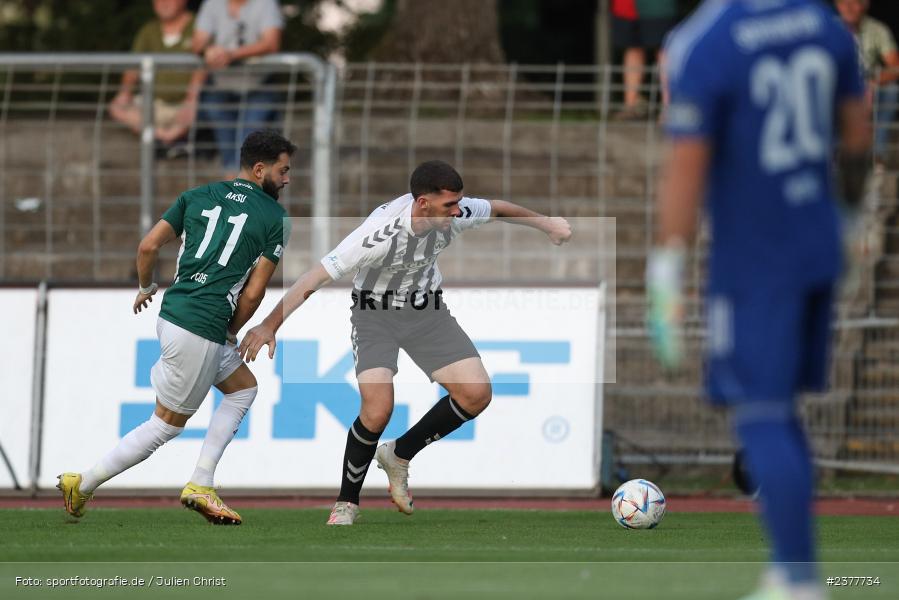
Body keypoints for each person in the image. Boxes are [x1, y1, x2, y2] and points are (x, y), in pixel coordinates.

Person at [648, 0, 870, 598]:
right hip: (819, 240)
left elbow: (687, 165)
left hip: (755, 256)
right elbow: (858, 133)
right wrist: (848, 222)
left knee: (763, 413)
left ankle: (798, 579)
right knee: (786, 409)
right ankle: (790, 571)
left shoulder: (708, 39)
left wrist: (666, 266)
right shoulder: (826, 25)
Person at [238, 160, 572, 526]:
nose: (458, 210)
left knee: (477, 393)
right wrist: (269, 324)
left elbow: (497, 207)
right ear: (423, 204)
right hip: (375, 314)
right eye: (449, 205)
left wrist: (546, 224)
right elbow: (312, 278)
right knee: (378, 409)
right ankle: (346, 503)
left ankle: (399, 455)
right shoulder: (378, 234)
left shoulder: (457, 213)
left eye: (459, 202)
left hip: (426, 311)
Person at [57, 130, 295, 525]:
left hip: (173, 314)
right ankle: (81, 484)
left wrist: (146, 285)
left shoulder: (196, 196)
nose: (287, 179)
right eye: (283, 171)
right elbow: (253, 293)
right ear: (259, 169)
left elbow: (148, 247)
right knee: (164, 426)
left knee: (243, 389)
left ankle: (202, 480)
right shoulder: (275, 219)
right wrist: (231, 331)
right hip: (204, 325)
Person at [192, 0, 284, 178]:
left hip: (258, 88)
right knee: (231, 158)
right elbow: (197, 43)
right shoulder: (212, 4)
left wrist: (231, 55)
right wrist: (208, 51)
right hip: (220, 90)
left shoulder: (266, 4)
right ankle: (238, 200)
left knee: (248, 150)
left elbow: (271, 43)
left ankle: (244, 199)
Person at [108, 0, 206, 151]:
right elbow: (133, 68)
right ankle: (164, 138)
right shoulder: (148, 30)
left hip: (187, 103)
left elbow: (206, 63)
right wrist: (125, 91)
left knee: (195, 110)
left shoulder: (200, 26)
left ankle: (161, 140)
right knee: (117, 106)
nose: (163, 3)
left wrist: (191, 98)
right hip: (154, 104)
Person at [835, 0, 899, 165]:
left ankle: (878, 154)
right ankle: (833, 154)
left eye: (854, 2)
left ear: (865, 5)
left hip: (870, 85)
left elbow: (895, 67)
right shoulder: (829, 27)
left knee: (892, 91)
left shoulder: (877, 29)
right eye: (843, 2)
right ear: (837, 4)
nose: (848, 7)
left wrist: (872, 83)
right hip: (837, 88)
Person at [611, 0, 678, 120]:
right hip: (626, 6)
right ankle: (631, 106)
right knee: (632, 46)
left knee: (664, 49)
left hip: (658, 7)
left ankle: (669, 108)